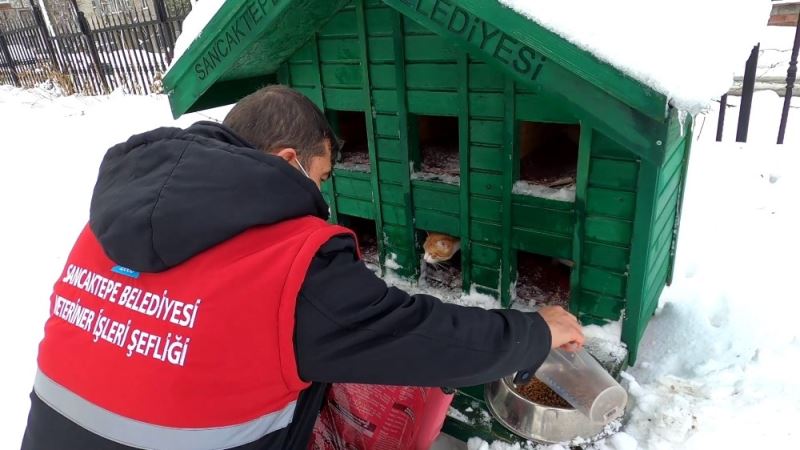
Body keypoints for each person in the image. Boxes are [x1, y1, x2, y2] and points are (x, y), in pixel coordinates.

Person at [21, 85, 584, 450]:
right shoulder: (288, 258)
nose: (320, 194)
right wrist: (537, 331)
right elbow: (423, 337)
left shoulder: (105, 225)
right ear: (290, 160)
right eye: (320, 176)